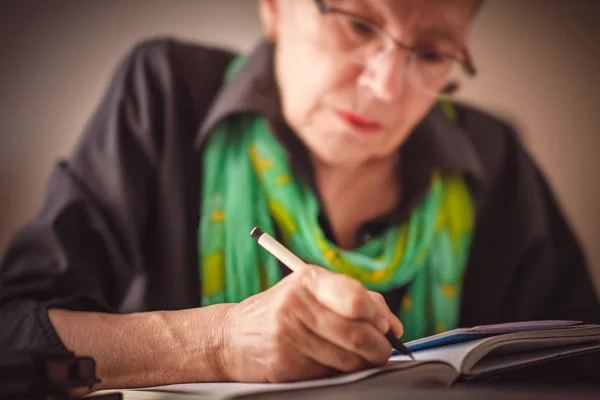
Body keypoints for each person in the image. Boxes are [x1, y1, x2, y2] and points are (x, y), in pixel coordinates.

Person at [1, 0, 598, 392]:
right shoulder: (163, 94)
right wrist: (216, 344)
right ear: (275, 9)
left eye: (433, 52)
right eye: (359, 23)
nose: (385, 88)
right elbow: (12, 339)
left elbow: (580, 359)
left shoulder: (496, 156)